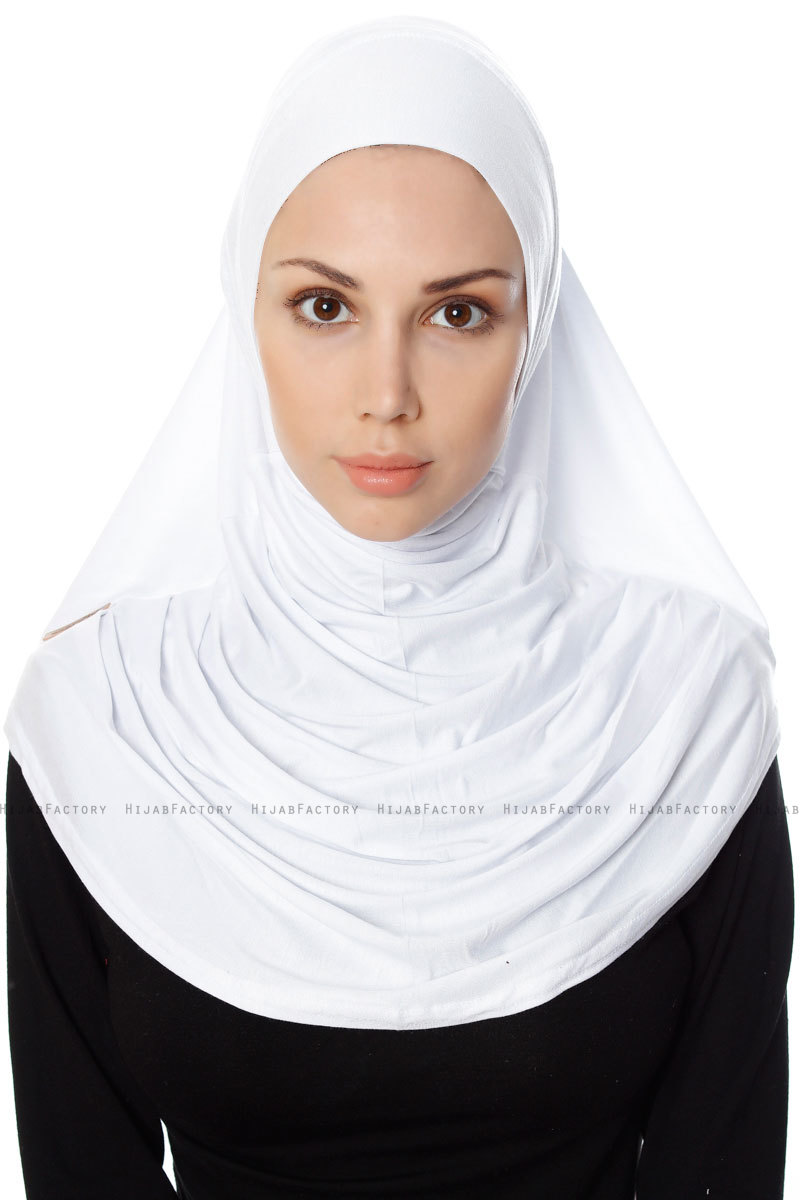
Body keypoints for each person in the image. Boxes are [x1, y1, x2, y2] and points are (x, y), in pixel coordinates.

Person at [3, 15, 793, 1199]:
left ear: (534, 329)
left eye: (456, 312)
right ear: (245, 312)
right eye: (325, 308)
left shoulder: (680, 704)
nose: (387, 395)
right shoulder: (106, 717)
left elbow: (719, 1161)